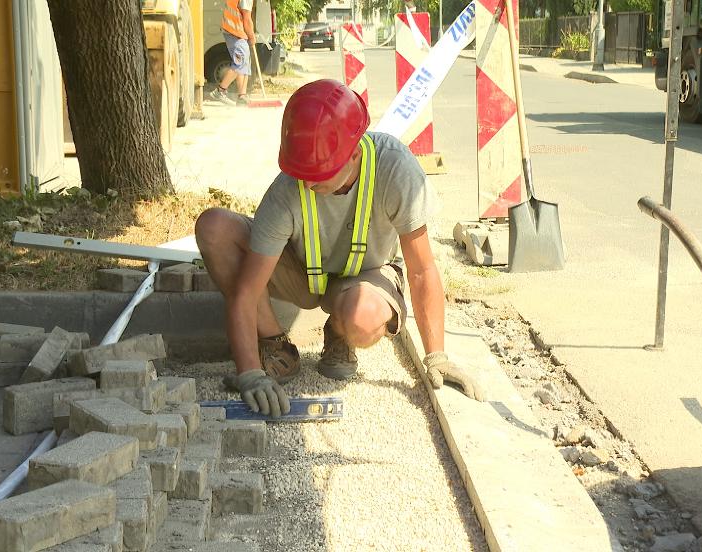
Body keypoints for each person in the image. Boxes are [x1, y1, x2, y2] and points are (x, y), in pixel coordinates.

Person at [195, 79, 485, 417]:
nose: (306, 182)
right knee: (214, 227)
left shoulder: (394, 169)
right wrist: (249, 374)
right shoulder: (289, 186)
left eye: (319, 175)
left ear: (355, 155)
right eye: (301, 172)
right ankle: (277, 350)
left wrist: (437, 355)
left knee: (364, 318)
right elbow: (247, 291)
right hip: (301, 275)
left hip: (366, 277)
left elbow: (421, 268)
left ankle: (339, 332)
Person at [210, 0, 255, 106]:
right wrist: (252, 37)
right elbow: (247, 19)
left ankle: (242, 96)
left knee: (244, 62)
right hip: (235, 31)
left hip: (233, 30)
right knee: (240, 62)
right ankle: (220, 91)